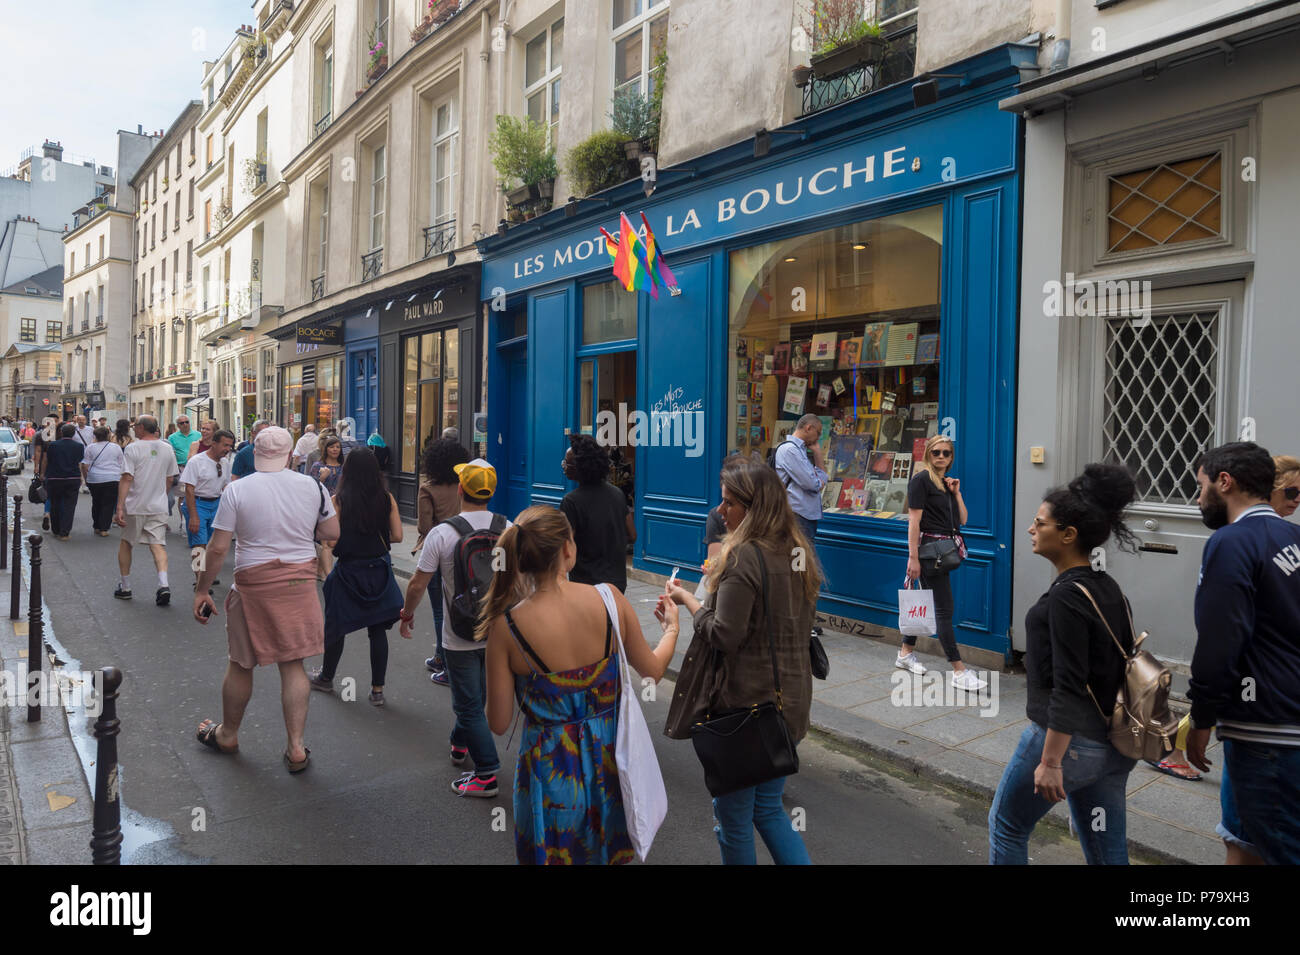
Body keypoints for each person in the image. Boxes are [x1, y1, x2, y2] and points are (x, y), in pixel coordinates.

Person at [481, 506, 680, 864]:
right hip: (611, 765)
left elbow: (497, 722)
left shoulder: (506, 628)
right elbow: (651, 671)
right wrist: (672, 630)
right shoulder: (609, 600)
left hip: (550, 777)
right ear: (567, 550)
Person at [660, 457, 818, 865]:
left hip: (746, 709)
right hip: (789, 702)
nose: (720, 510)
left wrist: (689, 602)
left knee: (732, 818)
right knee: (767, 810)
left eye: (729, 502)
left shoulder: (743, 557)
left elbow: (724, 635)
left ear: (752, 507)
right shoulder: (796, 550)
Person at [988, 463, 1140, 865]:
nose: (1030, 530)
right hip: (1112, 747)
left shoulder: (1067, 598)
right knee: (1107, 851)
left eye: (1040, 523)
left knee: (1007, 826)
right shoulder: (1106, 587)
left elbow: (1069, 684)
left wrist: (1051, 761)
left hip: (1069, 744)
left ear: (1068, 535)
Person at [192, 426, 339, 774]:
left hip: (252, 583)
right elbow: (332, 534)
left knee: (241, 663)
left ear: (256, 454)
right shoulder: (313, 487)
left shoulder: (237, 490)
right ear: (290, 456)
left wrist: (202, 589)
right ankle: (296, 748)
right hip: (299, 580)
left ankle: (228, 734)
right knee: (293, 665)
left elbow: (217, 548)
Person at [1185, 442, 1300, 866]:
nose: (1198, 499)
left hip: (1265, 729)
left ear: (1225, 482)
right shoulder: (1293, 535)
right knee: (1242, 843)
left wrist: (1201, 717)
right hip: (1278, 723)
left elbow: (1220, 640)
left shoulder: (1231, 541)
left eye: (1202, 486)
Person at [399, 459, 508, 797]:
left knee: (467, 704)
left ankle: (487, 772)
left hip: (458, 633)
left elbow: (418, 583)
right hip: (499, 631)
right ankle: (460, 744)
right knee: (479, 699)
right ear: (491, 491)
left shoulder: (442, 533)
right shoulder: (511, 527)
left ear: (461, 489)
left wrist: (407, 614)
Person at [308, 449, 404, 706]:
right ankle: (377, 690)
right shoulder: (387, 499)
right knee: (377, 630)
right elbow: (397, 536)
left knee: (336, 626)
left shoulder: (338, 500)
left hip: (349, 570)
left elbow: (329, 539)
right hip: (379, 571)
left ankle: (326, 678)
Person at [901, 435, 986, 690]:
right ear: (928, 453)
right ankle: (959, 670)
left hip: (944, 550)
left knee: (925, 602)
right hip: (930, 552)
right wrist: (913, 557)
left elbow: (963, 519)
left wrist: (956, 494)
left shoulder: (945, 483)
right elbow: (914, 522)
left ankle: (905, 653)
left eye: (946, 453)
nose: (941, 457)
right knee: (944, 611)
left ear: (951, 457)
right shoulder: (921, 480)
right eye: (936, 452)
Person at [416, 437, 470, 686]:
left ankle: (444, 662)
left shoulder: (427, 489)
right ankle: (445, 657)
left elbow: (425, 526)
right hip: (466, 552)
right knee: (462, 605)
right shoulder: (464, 485)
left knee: (440, 610)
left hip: (438, 551)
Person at [113, 415, 179, 606]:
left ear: (142, 428)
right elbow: (170, 478)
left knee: (126, 542)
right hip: (158, 505)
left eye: (135, 426)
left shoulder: (133, 448)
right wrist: (161, 495)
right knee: (158, 544)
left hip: (135, 505)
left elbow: (126, 478)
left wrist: (119, 506)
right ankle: (163, 584)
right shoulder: (167, 448)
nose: (133, 429)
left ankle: (125, 587)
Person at [560, 434, 636, 594]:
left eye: (567, 463)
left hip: (587, 584)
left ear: (581, 467)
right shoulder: (617, 493)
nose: (564, 466)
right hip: (617, 583)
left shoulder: (571, 502)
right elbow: (632, 535)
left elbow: (566, 546)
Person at [180, 428, 235, 590]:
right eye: (225, 445)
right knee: (199, 545)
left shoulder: (225, 463)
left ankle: (208, 574)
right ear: (214, 443)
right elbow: (189, 489)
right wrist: (194, 516)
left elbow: (226, 486)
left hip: (216, 504)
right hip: (197, 503)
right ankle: (200, 580)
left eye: (230, 446)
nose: (227, 449)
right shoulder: (196, 461)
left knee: (213, 544)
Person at [81, 426, 125, 537]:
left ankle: (96, 525)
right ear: (108, 435)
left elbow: (85, 465)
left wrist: (86, 479)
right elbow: (121, 463)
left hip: (94, 478)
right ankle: (104, 528)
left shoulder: (90, 448)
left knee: (96, 502)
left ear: (95, 436)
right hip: (112, 478)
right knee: (108, 504)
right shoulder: (116, 447)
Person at [43, 423, 84, 540]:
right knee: (69, 506)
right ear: (74, 434)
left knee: (55, 504)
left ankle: (56, 530)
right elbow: (79, 459)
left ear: (61, 432)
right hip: (72, 478)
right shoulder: (79, 446)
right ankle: (64, 532)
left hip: (55, 478)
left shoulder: (53, 445)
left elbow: (49, 459)